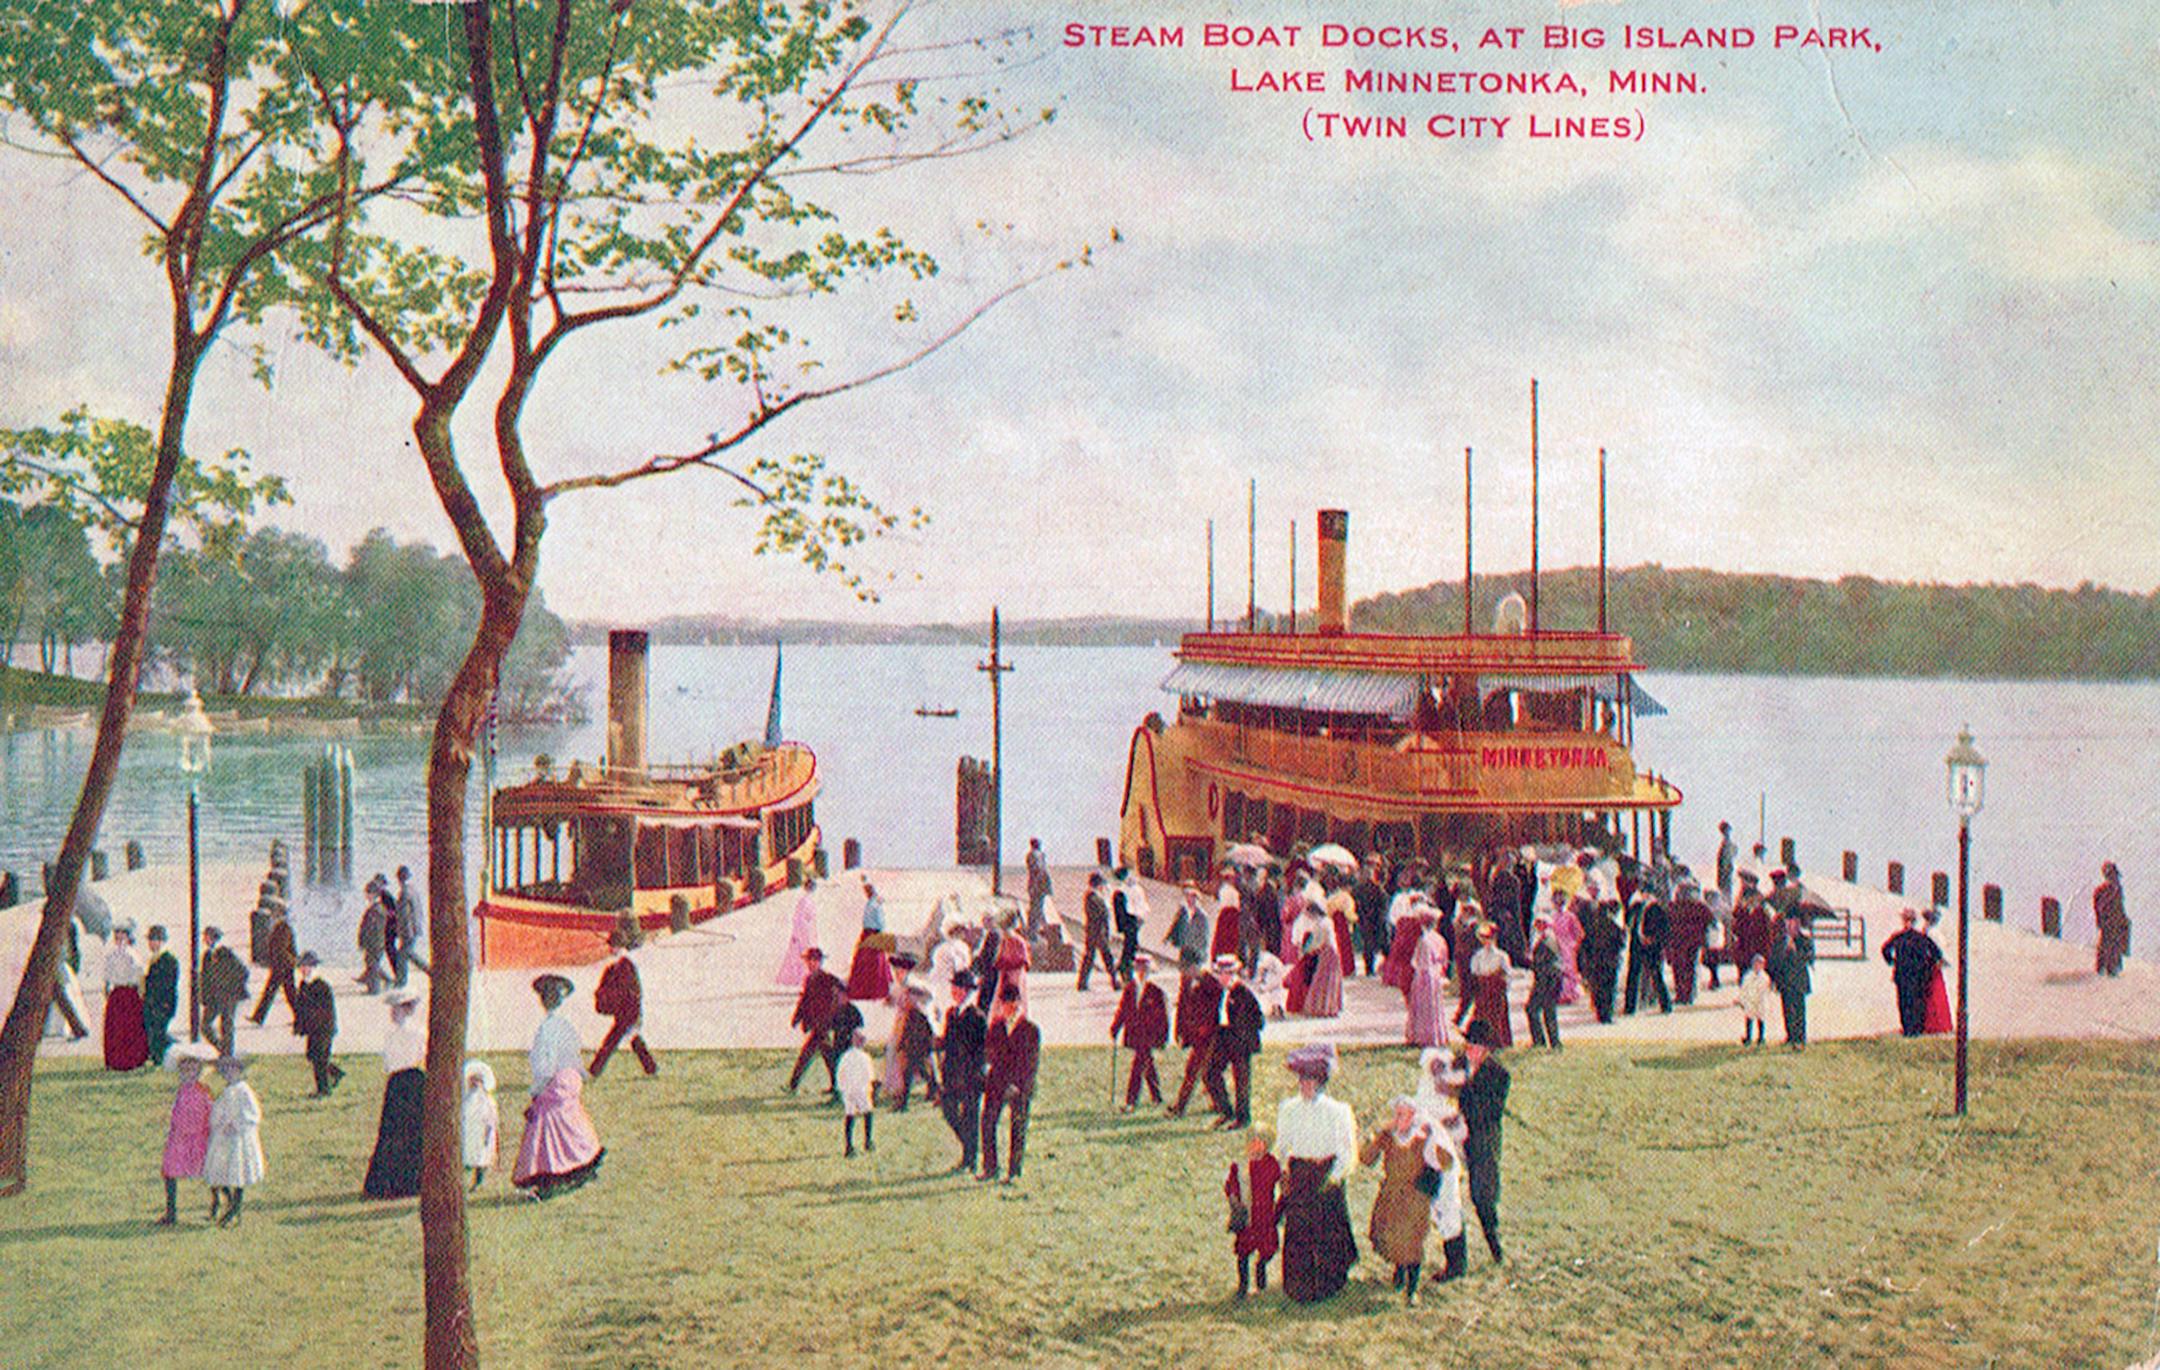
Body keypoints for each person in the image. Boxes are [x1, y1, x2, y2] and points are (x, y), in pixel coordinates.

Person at [1274, 1043, 1358, 1303]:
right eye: (1302, 1081)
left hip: (1325, 1173)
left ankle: (1330, 1280)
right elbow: (1282, 1145)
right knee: (1298, 1228)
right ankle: (1298, 1283)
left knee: (1328, 1228)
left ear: (1321, 1082)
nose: (1305, 1086)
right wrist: (1283, 1174)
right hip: (1300, 1173)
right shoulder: (1288, 1109)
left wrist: (1334, 1177)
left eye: (1310, 1081)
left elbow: (1346, 1150)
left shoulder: (1337, 1111)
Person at [516, 974, 605, 1198]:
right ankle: (582, 1159)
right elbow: (573, 1055)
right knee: (571, 1120)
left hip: (555, 1082)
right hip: (570, 1079)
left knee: (545, 1127)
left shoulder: (547, 1029)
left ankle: (552, 1174)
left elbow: (545, 1065)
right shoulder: (565, 1024)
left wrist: (536, 1091)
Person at [1361, 1096, 1437, 1305]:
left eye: (1402, 1114)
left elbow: (1441, 1163)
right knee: (1392, 1236)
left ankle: (1412, 1289)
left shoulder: (1423, 1138)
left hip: (1414, 1198)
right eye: (1396, 1114)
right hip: (1391, 1195)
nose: (1398, 1118)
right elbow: (1367, 1159)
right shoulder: (1387, 1136)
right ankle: (1398, 1273)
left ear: (1413, 1116)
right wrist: (1373, 1137)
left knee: (1412, 1242)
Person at [363, 988, 427, 1199]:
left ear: (406, 1010)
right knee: (403, 1132)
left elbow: (390, 1062)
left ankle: (397, 1182)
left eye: (396, 1009)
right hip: (409, 1081)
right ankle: (406, 1181)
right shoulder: (400, 1033)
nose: (393, 1013)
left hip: (403, 1081)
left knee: (398, 1131)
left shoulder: (412, 1033)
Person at [1459, 1019, 1509, 1263]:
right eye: (1468, 1045)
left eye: (1476, 1046)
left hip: (1483, 1141)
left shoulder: (1498, 1075)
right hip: (1459, 1138)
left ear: (1487, 1049)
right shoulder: (1457, 1065)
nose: (1470, 1051)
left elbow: (1488, 1113)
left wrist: (1466, 1085)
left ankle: (1494, 1245)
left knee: (1482, 1196)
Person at [979, 984, 1040, 1183]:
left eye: (1011, 1003)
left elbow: (1030, 1064)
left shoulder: (1029, 1029)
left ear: (1018, 1004)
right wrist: (987, 1070)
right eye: (1004, 1003)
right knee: (987, 1121)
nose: (1007, 1008)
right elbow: (989, 1053)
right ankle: (990, 1167)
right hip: (998, 1082)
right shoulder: (996, 1027)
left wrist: (1018, 1085)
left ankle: (1014, 1171)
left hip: (1019, 1085)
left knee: (1018, 1126)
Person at [157, 1042, 218, 1225]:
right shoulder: (182, 1091)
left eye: (192, 1069)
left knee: (210, 1173)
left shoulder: (203, 1092)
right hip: (179, 1139)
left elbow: (212, 1115)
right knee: (169, 1171)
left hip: (199, 1139)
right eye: (184, 1070)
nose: (188, 1073)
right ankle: (171, 1211)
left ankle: (217, 1205)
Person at [1203, 955, 1265, 1129]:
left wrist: (1243, 1034)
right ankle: (1226, 1111)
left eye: (1225, 973)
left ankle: (1242, 1118)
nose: (1221, 977)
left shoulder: (1243, 992)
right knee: (1210, 1073)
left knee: (1241, 1081)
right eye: (1220, 973)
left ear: (1233, 973)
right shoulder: (1220, 991)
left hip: (1240, 1041)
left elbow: (1258, 1020)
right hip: (1223, 1036)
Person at [202, 1056, 264, 1227]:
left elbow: (253, 1114)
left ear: (240, 1072)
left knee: (238, 1172)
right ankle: (227, 1203)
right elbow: (217, 1113)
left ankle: (235, 1209)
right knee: (220, 1171)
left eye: (232, 1070)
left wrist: (236, 1124)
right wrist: (220, 1124)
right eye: (225, 1071)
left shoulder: (244, 1091)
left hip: (238, 1138)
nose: (229, 1074)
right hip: (224, 1138)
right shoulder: (226, 1092)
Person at [591, 927, 657, 1077]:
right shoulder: (618, 964)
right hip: (625, 1012)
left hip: (628, 1012)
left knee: (611, 1042)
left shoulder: (625, 965)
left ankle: (595, 1070)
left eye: (612, 945)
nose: (610, 948)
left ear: (619, 946)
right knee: (632, 1039)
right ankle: (651, 1068)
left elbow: (631, 992)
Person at [937, 971, 987, 1172]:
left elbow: (980, 1050)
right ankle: (970, 1147)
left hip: (969, 1077)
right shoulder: (951, 1013)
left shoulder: (977, 1016)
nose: (954, 992)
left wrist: (975, 1074)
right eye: (954, 988)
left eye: (958, 988)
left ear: (967, 991)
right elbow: (948, 1044)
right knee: (949, 1111)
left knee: (970, 1117)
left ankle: (970, 1160)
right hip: (952, 1074)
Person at [1226, 1124, 1281, 1298]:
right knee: (1243, 1252)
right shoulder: (1241, 1165)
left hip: (1265, 1217)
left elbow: (1282, 1184)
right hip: (1248, 1217)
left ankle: (1261, 1281)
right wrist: (1234, 1198)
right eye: (1252, 1142)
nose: (1255, 1146)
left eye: (1260, 1142)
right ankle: (1243, 1286)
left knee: (1267, 1249)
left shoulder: (1272, 1164)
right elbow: (1231, 1184)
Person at [1110, 953, 1169, 1111]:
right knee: (1147, 1063)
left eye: (1145, 969)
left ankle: (1131, 1101)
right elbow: (1123, 1009)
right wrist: (1116, 1026)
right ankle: (1156, 1096)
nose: (1142, 972)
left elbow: (1163, 1017)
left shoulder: (1156, 991)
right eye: (1139, 968)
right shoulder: (1130, 988)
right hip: (1135, 1032)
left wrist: (1163, 1037)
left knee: (1138, 1065)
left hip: (1148, 1034)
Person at [786, 948, 847, 1094]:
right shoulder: (809, 979)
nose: (811, 964)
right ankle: (837, 1085)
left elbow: (842, 991)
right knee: (828, 1058)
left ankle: (793, 1085)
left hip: (823, 1025)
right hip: (816, 1025)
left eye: (815, 961)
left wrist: (834, 1016)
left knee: (807, 1055)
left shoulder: (827, 979)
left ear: (820, 962)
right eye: (809, 960)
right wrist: (797, 1017)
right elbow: (804, 1000)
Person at [1169, 962, 1222, 1116]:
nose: (1184, 975)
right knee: (1204, 1072)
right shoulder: (1186, 982)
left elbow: (1214, 1008)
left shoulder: (1210, 983)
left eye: (1186, 970)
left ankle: (1180, 1106)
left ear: (1194, 967)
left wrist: (1205, 1027)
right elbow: (1182, 1006)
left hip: (1207, 1036)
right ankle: (1218, 1103)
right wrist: (1179, 1030)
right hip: (1194, 1035)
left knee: (1193, 1071)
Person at [1880, 908, 1944, 1037]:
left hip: (1903, 974)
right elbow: (1936, 953)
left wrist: (1892, 961)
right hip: (1919, 974)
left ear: (1904, 921)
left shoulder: (1898, 937)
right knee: (1918, 1000)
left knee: (1904, 1001)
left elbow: (1885, 949)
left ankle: (1908, 1028)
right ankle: (1917, 1028)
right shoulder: (1920, 937)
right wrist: (1929, 965)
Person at [1455, 921, 1515, 1047]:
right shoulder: (1478, 955)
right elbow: (1474, 971)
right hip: (1483, 989)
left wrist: (1504, 987)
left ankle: (1499, 1041)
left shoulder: (1501, 956)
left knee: (1497, 1016)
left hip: (1496, 990)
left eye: (1490, 938)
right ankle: (1479, 1039)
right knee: (1481, 1014)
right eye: (1484, 938)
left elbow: (1508, 974)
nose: (1487, 941)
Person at [292, 952, 341, 1096]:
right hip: (312, 1029)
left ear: (313, 967)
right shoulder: (303, 985)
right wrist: (299, 1025)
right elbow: (300, 1007)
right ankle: (335, 1073)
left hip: (323, 1028)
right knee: (313, 1055)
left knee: (319, 1058)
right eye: (301, 966)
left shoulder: (322, 986)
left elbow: (327, 1011)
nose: (303, 969)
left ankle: (323, 1089)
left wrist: (320, 1024)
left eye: (306, 966)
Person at [102, 924, 150, 1071]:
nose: (120, 939)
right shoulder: (112, 955)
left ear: (129, 938)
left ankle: (132, 1058)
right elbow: (107, 975)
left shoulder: (132, 954)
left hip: (129, 992)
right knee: (116, 1028)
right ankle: (116, 1059)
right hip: (118, 991)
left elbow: (139, 974)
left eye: (123, 936)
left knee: (130, 1027)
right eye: (117, 936)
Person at [1766, 911, 1815, 1049]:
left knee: (1799, 1009)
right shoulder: (1780, 940)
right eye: (1789, 923)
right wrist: (1773, 979)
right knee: (1787, 1009)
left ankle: (1800, 1037)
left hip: (1799, 980)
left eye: (1795, 923)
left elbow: (1809, 958)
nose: (1792, 926)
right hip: (1785, 980)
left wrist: (1796, 951)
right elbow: (1773, 961)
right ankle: (1790, 1035)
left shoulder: (1805, 940)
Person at [199, 927, 248, 1057]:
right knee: (205, 1026)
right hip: (214, 999)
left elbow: (243, 972)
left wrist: (232, 989)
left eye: (207, 937)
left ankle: (227, 1055)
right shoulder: (207, 956)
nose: (205, 940)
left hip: (228, 997)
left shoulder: (226, 953)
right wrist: (204, 997)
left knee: (227, 1026)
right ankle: (222, 1049)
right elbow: (204, 978)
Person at [246, 908, 299, 1029]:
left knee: (278, 993)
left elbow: (281, 949)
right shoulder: (282, 928)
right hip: (282, 965)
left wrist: (289, 961)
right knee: (284, 993)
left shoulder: (282, 929)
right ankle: (259, 1017)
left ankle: (259, 1017)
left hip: (282, 966)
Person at [891, 979, 939, 1109]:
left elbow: (929, 1034)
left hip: (919, 1051)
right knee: (908, 1075)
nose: (906, 1000)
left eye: (909, 998)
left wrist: (928, 1048)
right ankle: (903, 1103)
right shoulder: (908, 1015)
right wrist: (900, 1044)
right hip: (909, 1050)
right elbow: (904, 1032)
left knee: (923, 1073)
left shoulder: (921, 1016)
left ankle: (935, 1091)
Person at [1404, 912, 1448, 1047]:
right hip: (1436, 974)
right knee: (1434, 1006)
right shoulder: (1439, 939)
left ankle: (1422, 1036)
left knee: (1422, 1007)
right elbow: (1444, 958)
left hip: (1424, 974)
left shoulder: (1423, 940)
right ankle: (1437, 1035)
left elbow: (1417, 961)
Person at [1665, 885, 1713, 1006]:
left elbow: (1667, 925)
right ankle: (1688, 995)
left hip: (1678, 943)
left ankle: (1681, 994)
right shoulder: (1698, 906)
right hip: (1691, 943)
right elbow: (1709, 920)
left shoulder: (1673, 906)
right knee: (1689, 969)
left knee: (1679, 969)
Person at [846, 882, 894, 1002]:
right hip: (871, 933)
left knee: (873, 962)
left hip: (871, 934)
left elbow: (879, 922)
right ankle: (871, 989)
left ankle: (873, 989)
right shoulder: (874, 904)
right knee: (871, 962)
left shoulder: (873, 904)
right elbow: (880, 922)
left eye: (867, 891)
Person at [142, 925, 179, 1068]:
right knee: (154, 1032)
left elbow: (168, 985)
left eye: (154, 940)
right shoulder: (152, 959)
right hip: (151, 1003)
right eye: (150, 940)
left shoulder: (168, 960)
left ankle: (163, 1058)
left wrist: (163, 1004)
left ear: (162, 941)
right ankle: (159, 1058)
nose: (151, 943)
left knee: (159, 1032)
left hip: (163, 1003)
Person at [1526, 913, 1563, 1050]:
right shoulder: (1544, 938)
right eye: (1537, 923)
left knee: (1533, 1008)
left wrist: (1528, 962)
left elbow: (1540, 961)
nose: (1538, 926)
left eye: (1541, 923)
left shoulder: (1547, 939)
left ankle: (1541, 1041)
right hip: (1549, 978)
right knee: (1548, 1011)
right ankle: (1553, 1042)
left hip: (1547, 979)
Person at [837, 1027, 876, 1156]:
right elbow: (870, 1076)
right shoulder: (865, 1058)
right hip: (862, 1089)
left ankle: (849, 1146)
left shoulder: (845, 1057)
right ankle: (868, 1141)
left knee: (850, 1115)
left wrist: (842, 1088)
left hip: (849, 1090)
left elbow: (840, 1075)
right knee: (868, 1112)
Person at [776, 877, 819, 988]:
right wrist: (798, 933)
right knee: (799, 955)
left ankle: (806, 976)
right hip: (803, 931)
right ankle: (796, 978)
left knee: (807, 954)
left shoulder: (810, 900)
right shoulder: (804, 901)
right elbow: (798, 918)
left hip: (808, 930)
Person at [463, 1060, 499, 1190]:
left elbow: (491, 1118)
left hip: (482, 1132)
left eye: (479, 1080)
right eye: (473, 1080)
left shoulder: (488, 1101)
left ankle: (478, 1182)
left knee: (481, 1158)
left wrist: (488, 1131)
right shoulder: (466, 1098)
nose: (476, 1083)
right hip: (469, 1132)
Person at [1077, 871, 1116, 990]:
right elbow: (1100, 915)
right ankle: (1114, 981)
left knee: (1090, 957)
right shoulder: (1092, 897)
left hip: (1095, 932)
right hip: (1098, 932)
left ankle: (1082, 982)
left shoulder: (1094, 897)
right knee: (1106, 957)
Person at [1352, 860, 1390, 977]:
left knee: (1371, 944)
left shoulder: (1364, 889)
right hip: (1372, 920)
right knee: (1373, 945)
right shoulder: (1373, 889)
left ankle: (1373, 968)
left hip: (1370, 920)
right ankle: (1374, 967)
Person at [392, 866, 429, 986]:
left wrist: (404, 932)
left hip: (409, 930)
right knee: (405, 954)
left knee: (405, 955)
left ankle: (430, 971)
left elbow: (404, 916)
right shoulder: (414, 891)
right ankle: (401, 981)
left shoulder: (404, 893)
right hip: (414, 928)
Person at [2095, 861, 2129, 976]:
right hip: (2110, 924)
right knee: (2108, 946)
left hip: (2114, 924)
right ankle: (2106, 968)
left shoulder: (2116, 890)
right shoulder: (2105, 890)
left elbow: (2119, 907)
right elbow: (2100, 908)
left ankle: (2110, 968)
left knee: (2113, 946)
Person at [356, 882, 389, 995]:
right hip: (376, 942)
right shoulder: (377, 908)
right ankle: (385, 981)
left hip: (374, 943)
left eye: (368, 893)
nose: (366, 896)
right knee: (372, 963)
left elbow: (371, 929)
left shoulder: (376, 910)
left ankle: (374, 989)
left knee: (372, 964)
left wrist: (364, 941)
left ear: (374, 894)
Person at [1169, 885, 1211, 971]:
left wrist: (1202, 955)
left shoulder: (1202, 916)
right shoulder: (1184, 912)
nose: (1189, 899)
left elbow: (1204, 937)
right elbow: (1177, 927)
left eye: (1192, 897)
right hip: (1185, 950)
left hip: (1196, 953)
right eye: (1187, 896)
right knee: (1184, 976)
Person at [1739, 954, 1770, 1045]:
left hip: (1761, 1000)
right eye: (1756, 964)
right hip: (1750, 999)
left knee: (1761, 1017)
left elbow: (1766, 990)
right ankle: (1748, 1037)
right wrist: (1742, 1000)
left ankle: (1761, 1037)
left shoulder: (1764, 977)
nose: (1757, 966)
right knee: (1749, 1017)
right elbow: (1744, 989)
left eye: (1760, 964)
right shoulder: (1748, 976)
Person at [1025, 837, 1051, 936]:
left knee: (1035, 908)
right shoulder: (1039, 855)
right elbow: (1039, 870)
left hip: (1037, 885)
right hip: (1040, 885)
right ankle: (1037, 929)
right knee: (1037, 908)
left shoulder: (1032, 855)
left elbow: (1036, 870)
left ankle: (1035, 929)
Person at [1715, 820, 1737, 899]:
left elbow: (1728, 861)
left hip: (1726, 875)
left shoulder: (1727, 844)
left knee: (1726, 896)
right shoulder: (1726, 844)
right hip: (1724, 875)